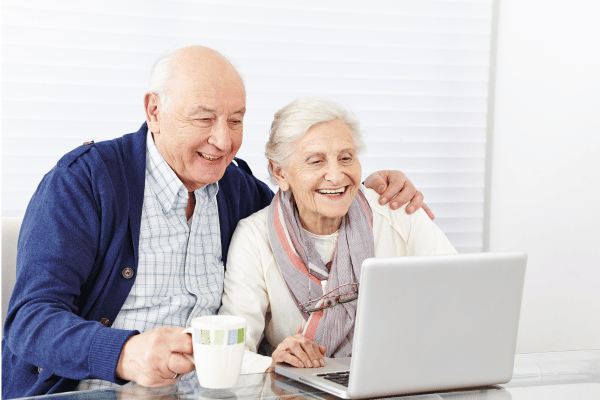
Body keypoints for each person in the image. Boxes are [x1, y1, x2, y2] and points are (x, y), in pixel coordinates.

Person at [2, 46, 429, 399]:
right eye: (204, 119)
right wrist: (123, 352)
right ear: (154, 111)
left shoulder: (237, 190)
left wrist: (366, 189)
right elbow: (28, 321)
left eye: (236, 120)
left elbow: (301, 204)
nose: (223, 141)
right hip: (96, 390)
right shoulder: (85, 182)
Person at [218, 97, 457, 374]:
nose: (336, 175)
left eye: (346, 158)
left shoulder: (398, 211)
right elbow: (230, 351)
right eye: (316, 161)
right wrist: (274, 364)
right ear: (279, 172)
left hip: (401, 376)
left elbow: (460, 298)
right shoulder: (254, 237)